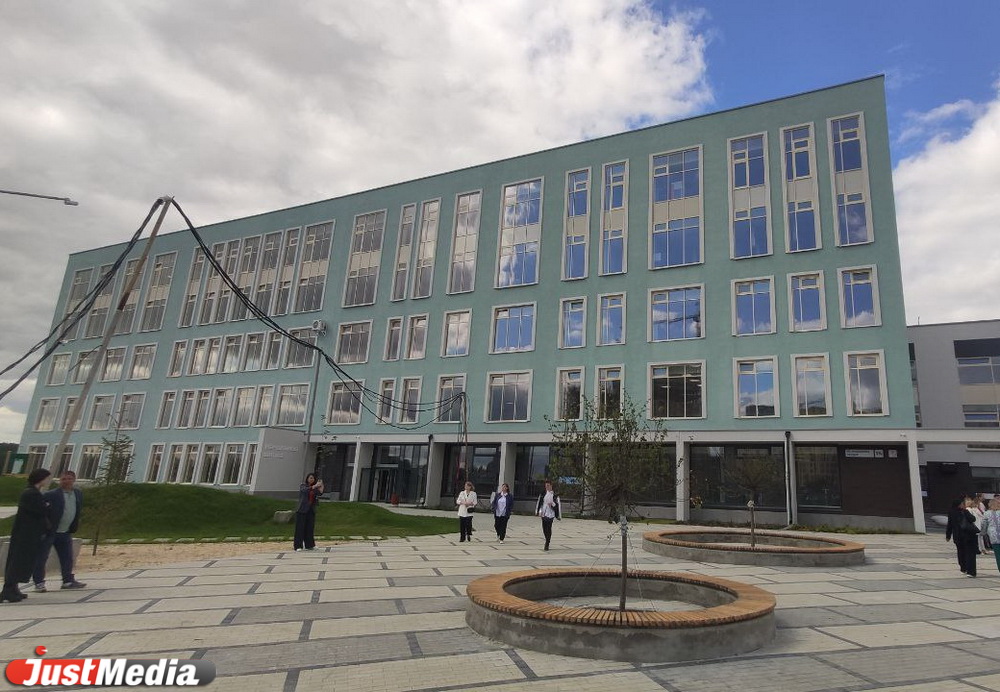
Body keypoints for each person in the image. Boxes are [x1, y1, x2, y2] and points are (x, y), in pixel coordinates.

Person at [2, 468, 52, 603]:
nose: (47, 481)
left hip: (30, 533)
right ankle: (8, 590)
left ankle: (14, 588)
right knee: (17, 561)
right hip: (25, 534)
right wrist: (46, 505)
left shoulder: (34, 492)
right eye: (46, 478)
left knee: (23, 561)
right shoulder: (31, 493)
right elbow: (41, 509)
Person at [32, 470, 86, 592]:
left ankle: (67, 580)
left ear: (74, 480)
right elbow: (42, 511)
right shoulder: (51, 494)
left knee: (67, 557)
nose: (66, 481)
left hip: (65, 531)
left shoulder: (77, 493)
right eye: (63, 479)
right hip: (50, 532)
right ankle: (39, 582)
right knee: (42, 557)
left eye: (69, 479)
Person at [945, 496, 979, 577]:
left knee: (960, 552)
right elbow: (973, 519)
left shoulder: (951, 512)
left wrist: (948, 535)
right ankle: (971, 571)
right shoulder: (964, 511)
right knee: (970, 553)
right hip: (968, 536)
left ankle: (963, 568)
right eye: (962, 504)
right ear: (959, 505)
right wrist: (966, 511)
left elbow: (949, 525)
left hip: (957, 536)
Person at [293, 473, 323, 551]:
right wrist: (314, 486)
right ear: (307, 479)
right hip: (302, 510)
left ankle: (310, 545)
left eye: (313, 478)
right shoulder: (303, 486)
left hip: (311, 510)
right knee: (300, 528)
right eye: (310, 478)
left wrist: (321, 485)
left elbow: (320, 493)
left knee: (310, 528)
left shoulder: (315, 488)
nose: (311, 479)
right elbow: (305, 491)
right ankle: (298, 546)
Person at [535, 480, 561, 551]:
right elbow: (539, 503)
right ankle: (547, 538)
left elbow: (558, 506)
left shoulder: (555, 495)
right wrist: (538, 511)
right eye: (546, 486)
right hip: (544, 513)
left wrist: (552, 504)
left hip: (551, 514)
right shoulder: (543, 494)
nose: (547, 487)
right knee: (544, 528)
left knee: (548, 528)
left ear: (551, 486)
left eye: (548, 485)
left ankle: (547, 542)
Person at [983, 497, 1000, 575]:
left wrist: (982, 533)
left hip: (993, 536)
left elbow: (984, 525)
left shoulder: (986, 513)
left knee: (998, 555)